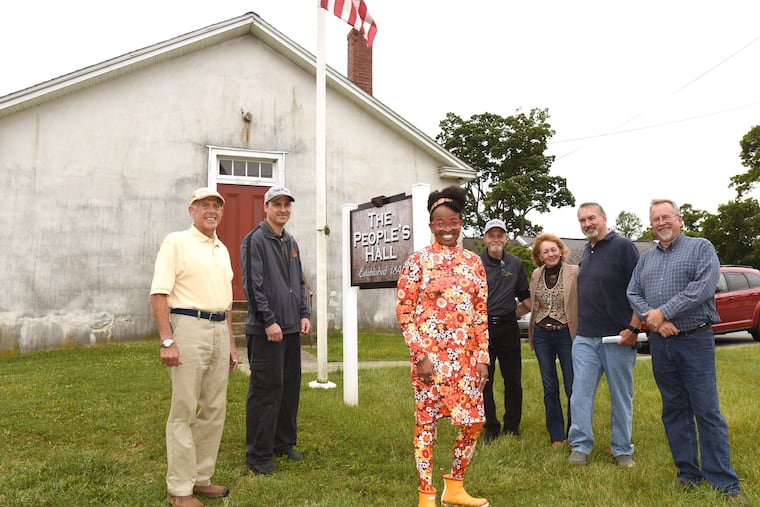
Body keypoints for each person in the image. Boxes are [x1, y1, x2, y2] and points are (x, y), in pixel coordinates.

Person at [627, 199, 749, 506]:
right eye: (655, 219)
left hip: (694, 340)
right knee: (674, 409)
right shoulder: (646, 258)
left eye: (666, 216)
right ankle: (687, 473)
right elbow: (633, 292)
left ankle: (724, 482)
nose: (661, 222)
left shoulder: (701, 247)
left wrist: (663, 313)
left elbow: (704, 287)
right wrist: (655, 320)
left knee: (707, 410)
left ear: (679, 219)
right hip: (661, 344)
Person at [396, 186, 490, 507]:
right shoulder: (417, 262)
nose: (447, 229)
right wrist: (419, 356)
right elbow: (404, 313)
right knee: (427, 424)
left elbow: (480, 313)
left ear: (461, 223)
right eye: (440, 223)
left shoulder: (474, 263)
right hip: (430, 363)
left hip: (465, 362)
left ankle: (455, 487)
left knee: (473, 421)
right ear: (431, 226)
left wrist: (483, 357)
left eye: (453, 222)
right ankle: (426, 494)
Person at [150, 187, 239, 507]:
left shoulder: (222, 249)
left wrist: (230, 344)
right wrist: (168, 339)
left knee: (214, 408)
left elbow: (226, 304)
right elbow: (159, 293)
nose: (211, 210)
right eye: (204, 205)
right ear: (192, 210)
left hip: (218, 329)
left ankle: (201, 478)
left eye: (217, 206)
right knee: (185, 409)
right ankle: (179, 488)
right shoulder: (176, 242)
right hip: (188, 328)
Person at [241, 185, 311, 476]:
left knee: (289, 388)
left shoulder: (291, 241)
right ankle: (258, 454)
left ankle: (283, 443)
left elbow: (299, 281)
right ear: (266, 207)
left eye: (287, 205)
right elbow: (253, 286)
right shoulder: (255, 240)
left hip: (291, 329)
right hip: (266, 330)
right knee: (265, 391)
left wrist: (304, 313)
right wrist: (268, 320)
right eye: (277, 204)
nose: (283, 209)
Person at [567, 202, 642, 468]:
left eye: (591, 218)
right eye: (582, 220)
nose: (587, 224)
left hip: (617, 337)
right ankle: (580, 445)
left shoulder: (623, 246)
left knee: (621, 395)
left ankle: (622, 449)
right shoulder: (587, 250)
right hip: (586, 337)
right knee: (580, 393)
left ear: (603, 218)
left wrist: (634, 328)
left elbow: (640, 288)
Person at [479, 218, 531, 442]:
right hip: (484, 328)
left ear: (506, 238)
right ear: (485, 238)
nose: (496, 239)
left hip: (509, 327)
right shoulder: (475, 263)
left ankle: (512, 426)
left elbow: (526, 298)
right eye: (492, 235)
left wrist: (513, 314)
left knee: (512, 379)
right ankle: (490, 427)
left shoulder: (515, 263)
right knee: (484, 379)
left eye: (500, 235)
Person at [528, 233, 578, 448]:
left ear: (560, 250)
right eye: (545, 252)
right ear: (539, 256)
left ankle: (574, 433)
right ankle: (556, 436)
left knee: (572, 386)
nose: (550, 254)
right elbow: (532, 304)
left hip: (566, 333)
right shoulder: (536, 274)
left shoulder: (575, 272)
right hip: (542, 334)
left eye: (553, 249)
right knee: (550, 387)